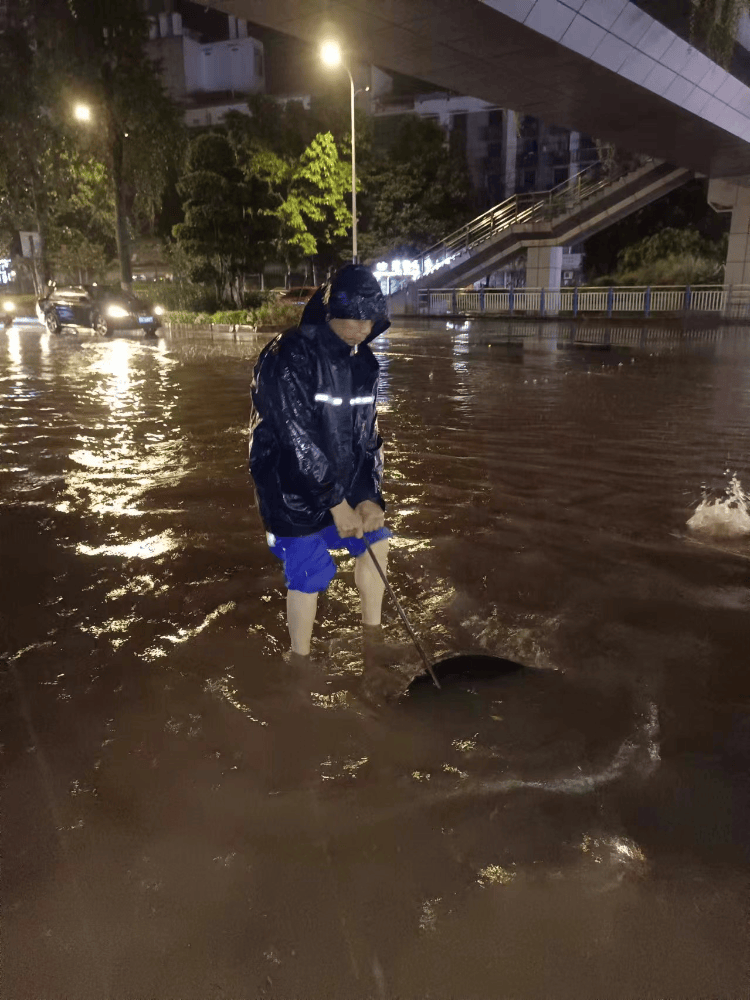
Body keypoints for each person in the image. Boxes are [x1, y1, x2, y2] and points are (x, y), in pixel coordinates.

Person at [249, 264, 401, 677]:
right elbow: (295, 435)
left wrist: (369, 495)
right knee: (308, 571)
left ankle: (374, 638)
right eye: (353, 318)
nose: (360, 328)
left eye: (369, 320)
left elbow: (369, 436)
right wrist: (335, 502)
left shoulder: (365, 365)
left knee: (378, 542)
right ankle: (298, 659)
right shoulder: (288, 354)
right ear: (329, 313)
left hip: (346, 488)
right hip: (291, 491)